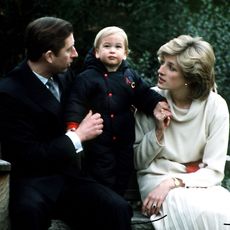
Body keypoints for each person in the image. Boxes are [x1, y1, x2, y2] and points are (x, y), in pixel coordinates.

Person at [0, 16, 134, 230]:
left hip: (70, 178)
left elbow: (100, 68)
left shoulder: (64, 75)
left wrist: (143, 97)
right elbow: (28, 156)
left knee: (117, 208)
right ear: (50, 56)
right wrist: (77, 136)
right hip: (32, 182)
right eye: (69, 49)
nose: (76, 54)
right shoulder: (9, 92)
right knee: (27, 216)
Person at [134, 35, 230, 229]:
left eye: (171, 67)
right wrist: (158, 132)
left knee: (224, 213)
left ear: (190, 78)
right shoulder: (149, 100)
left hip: (197, 182)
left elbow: (214, 170)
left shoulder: (215, 106)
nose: (160, 70)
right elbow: (138, 161)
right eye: (162, 63)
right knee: (203, 212)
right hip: (156, 178)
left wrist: (174, 181)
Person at [64, 26, 171, 196]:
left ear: (126, 53)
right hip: (98, 140)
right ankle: (104, 202)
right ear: (97, 52)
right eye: (107, 46)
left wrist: (157, 103)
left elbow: (143, 94)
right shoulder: (87, 77)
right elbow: (75, 102)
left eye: (118, 47)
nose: (112, 50)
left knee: (123, 171)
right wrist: (72, 125)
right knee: (100, 173)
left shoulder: (130, 77)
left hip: (124, 139)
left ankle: (119, 202)